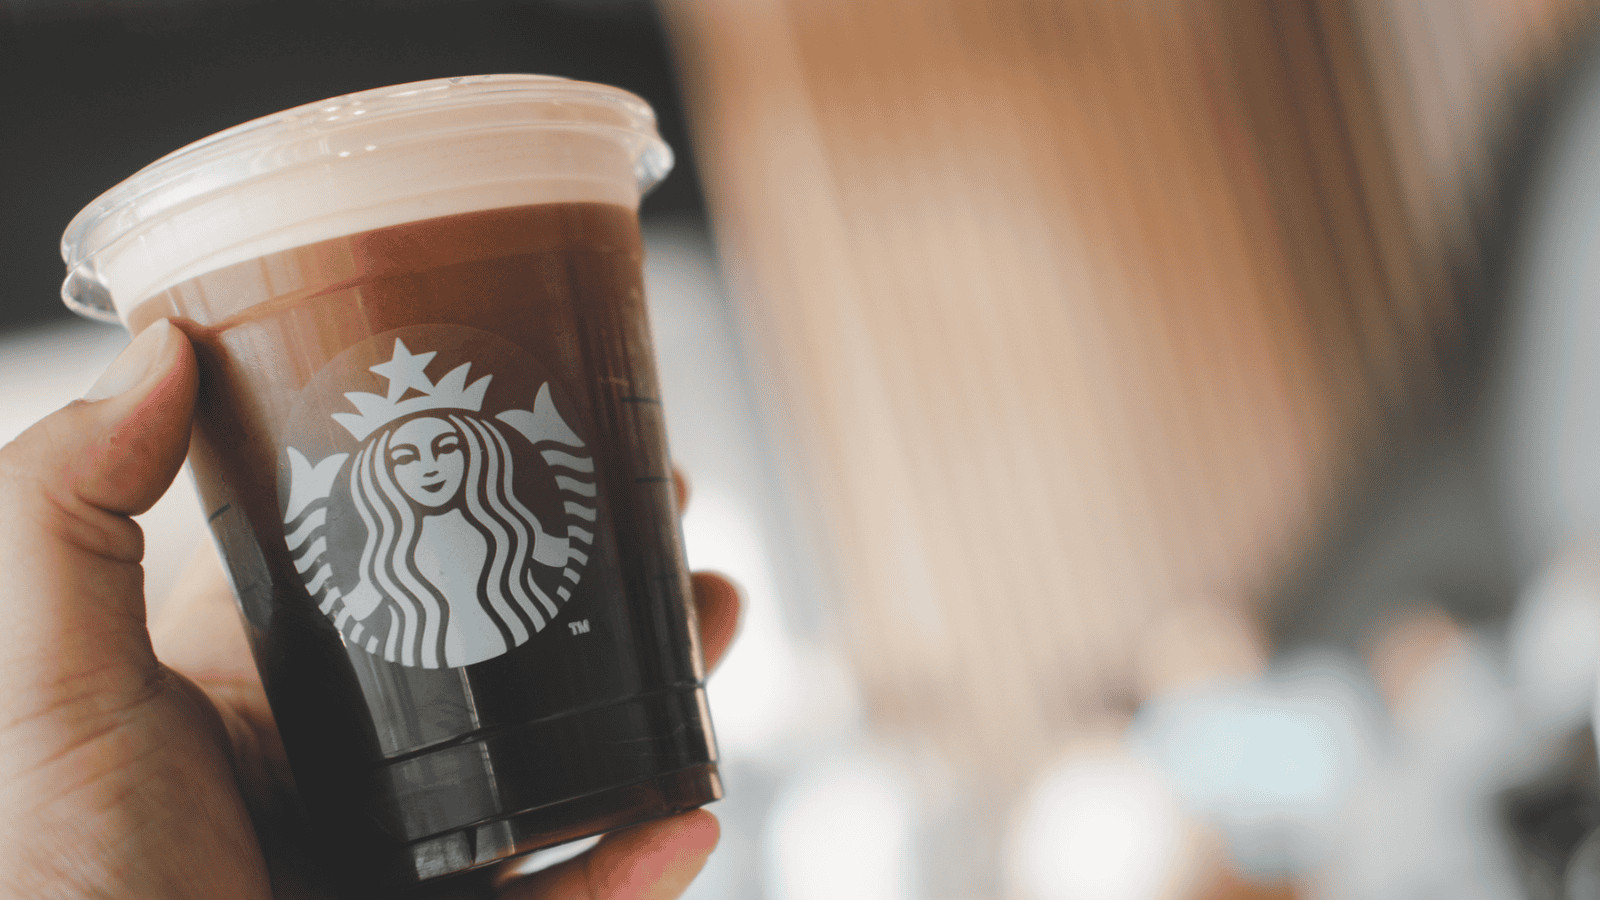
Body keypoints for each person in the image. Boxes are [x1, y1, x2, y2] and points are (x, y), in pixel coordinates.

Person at [0, 321, 740, 898]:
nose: (430, 469)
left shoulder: (532, 552)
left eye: (446, 447)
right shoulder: (385, 581)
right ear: (379, 479)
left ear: (481, 452)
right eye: (405, 459)